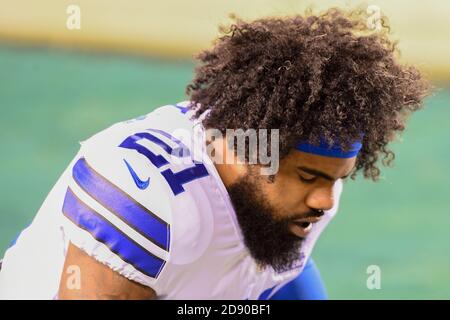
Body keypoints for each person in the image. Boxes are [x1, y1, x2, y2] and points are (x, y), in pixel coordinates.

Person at [0, 8, 429, 299]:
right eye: (310, 177)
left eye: (337, 178)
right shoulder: (146, 199)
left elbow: (271, 277)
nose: (325, 201)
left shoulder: (302, 188)